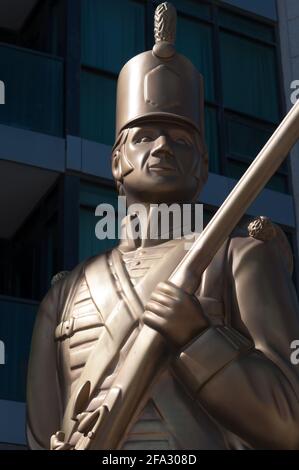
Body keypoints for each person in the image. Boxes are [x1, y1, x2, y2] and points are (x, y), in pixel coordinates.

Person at [27, 2, 299, 450]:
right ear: (117, 161)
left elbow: (289, 423)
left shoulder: (241, 260)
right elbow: (41, 434)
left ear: (202, 167)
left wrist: (198, 338)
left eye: (181, 139)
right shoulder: (63, 296)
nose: (162, 147)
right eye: (144, 135)